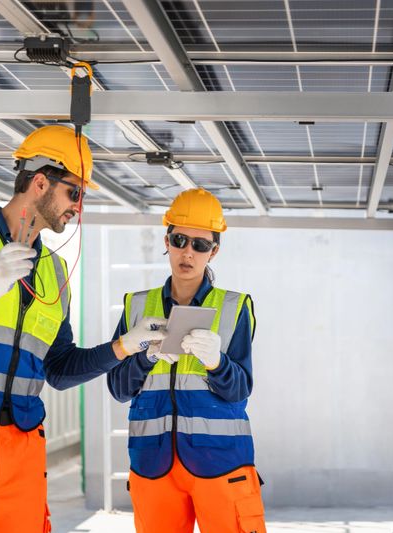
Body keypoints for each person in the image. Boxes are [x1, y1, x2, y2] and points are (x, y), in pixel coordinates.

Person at [0, 124, 164, 533]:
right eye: (73, 193)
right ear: (40, 182)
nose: (77, 207)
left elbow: (57, 370)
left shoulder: (56, 271)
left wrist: (124, 347)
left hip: (22, 449)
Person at [107, 188, 267, 533]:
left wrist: (217, 363)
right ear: (167, 240)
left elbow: (240, 390)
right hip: (153, 461)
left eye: (200, 244)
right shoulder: (136, 306)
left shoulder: (235, 307)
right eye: (179, 239)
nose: (188, 252)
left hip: (222, 463)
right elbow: (118, 388)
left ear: (214, 251)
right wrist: (145, 357)